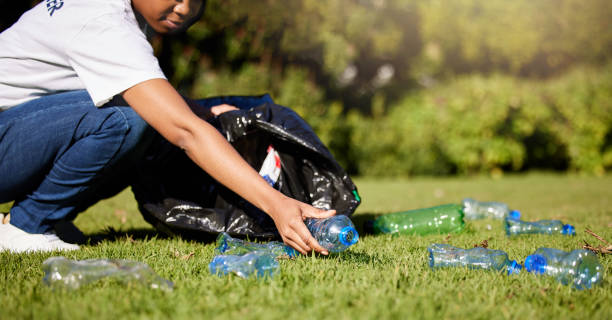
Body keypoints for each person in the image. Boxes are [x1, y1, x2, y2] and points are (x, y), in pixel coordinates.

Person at [0, 0, 335, 254]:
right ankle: (26, 225)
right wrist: (275, 203)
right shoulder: (103, 22)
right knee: (131, 121)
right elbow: (183, 130)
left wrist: (205, 110)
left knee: (148, 125)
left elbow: (154, 97)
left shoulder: (117, 12)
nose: (186, 7)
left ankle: (48, 216)